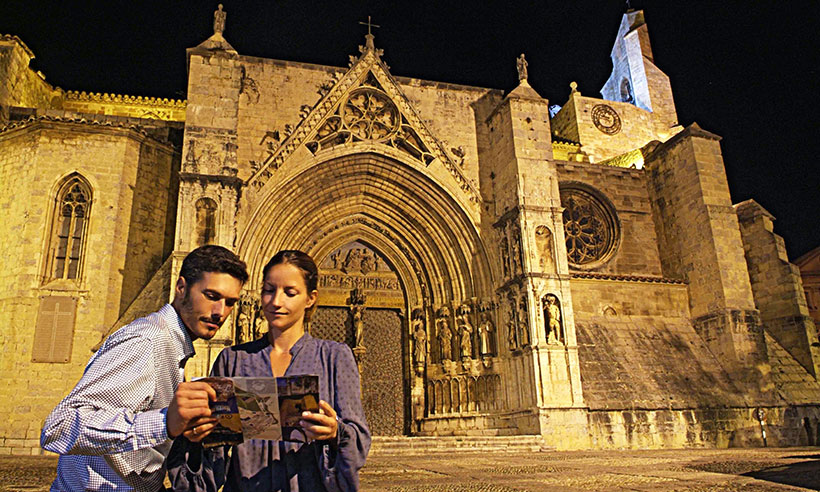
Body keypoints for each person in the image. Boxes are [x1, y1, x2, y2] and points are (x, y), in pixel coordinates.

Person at [41, 245, 249, 492]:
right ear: (181, 287)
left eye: (230, 303)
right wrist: (164, 424)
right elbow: (58, 427)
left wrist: (184, 431)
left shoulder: (172, 346)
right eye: (211, 296)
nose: (220, 313)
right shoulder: (147, 341)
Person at [168, 250, 370, 491]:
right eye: (268, 290)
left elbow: (358, 440)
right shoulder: (232, 360)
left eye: (290, 293)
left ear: (310, 298)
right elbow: (215, 455)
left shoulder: (334, 357)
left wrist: (335, 432)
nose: (276, 301)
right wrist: (198, 436)